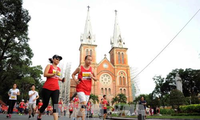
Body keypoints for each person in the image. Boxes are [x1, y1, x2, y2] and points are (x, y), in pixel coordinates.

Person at [37, 55, 65, 120]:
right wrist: (53, 74)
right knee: (45, 104)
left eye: (59, 60)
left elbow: (56, 77)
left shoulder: (58, 69)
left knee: (55, 104)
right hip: (47, 88)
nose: (58, 61)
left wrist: (61, 80)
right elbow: (45, 74)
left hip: (56, 88)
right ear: (53, 59)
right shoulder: (49, 66)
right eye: (57, 59)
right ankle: (39, 115)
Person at [72, 55, 97, 120]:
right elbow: (73, 74)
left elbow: (96, 79)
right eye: (88, 60)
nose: (90, 61)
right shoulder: (80, 68)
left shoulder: (92, 69)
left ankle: (77, 117)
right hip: (80, 88)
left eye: (91, 60)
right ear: (85, 60)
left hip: (88, 89)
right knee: (84, 103)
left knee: (83, 105)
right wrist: (76, 80)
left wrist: (92, 76)